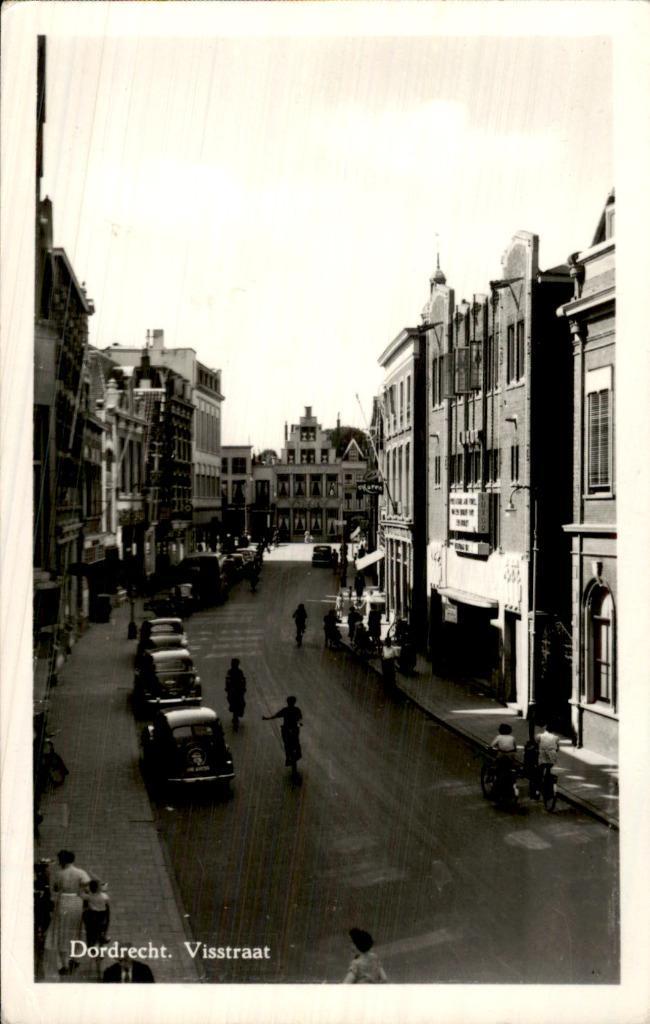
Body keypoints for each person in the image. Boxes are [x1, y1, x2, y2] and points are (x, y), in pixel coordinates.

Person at [45, 849, 91, 975]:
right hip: (76, 902)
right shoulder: (81, 872)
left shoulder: (59, 874)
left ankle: (63, 963)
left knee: (62, 932)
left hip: (63, 902)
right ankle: (73, 958)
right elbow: (87, 888)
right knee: (75, 930)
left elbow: (55, 888)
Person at [262, 696, 303, 774]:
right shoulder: (296, 710)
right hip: (292, 730)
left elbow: (276, 716)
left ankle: (288, 757)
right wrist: (299, 724)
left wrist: (267, 718)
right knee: (295, 742)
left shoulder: (285, 710)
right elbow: (300, 719)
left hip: (287, 730)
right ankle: (294, 755)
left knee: (287, 744)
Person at [83, 879, 110, 948]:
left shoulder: (89, 896)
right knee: (102, 927)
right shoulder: (104, 896)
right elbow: (107, 905)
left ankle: (92, 943)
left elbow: (83, 897)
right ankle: (103, 937)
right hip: (102, 914)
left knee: (92, 929)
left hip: (92, 914)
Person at [535, 723, 560, 792]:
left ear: (545, 729)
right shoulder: (556, 737)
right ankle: (551, 781)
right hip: (552, 755)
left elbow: (537, 743)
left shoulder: (539, 736)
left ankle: (537, 790)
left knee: (540, 770)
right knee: (551, 767)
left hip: (542, 754)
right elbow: (557, 748)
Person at [225, 658, 247, 730]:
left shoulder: (234, 671)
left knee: (241, 702)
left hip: (237, 690)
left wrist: (243, 687)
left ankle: (237, 713)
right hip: (235, 690)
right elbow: (228, 680)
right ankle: (236, 713)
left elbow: (243, 680)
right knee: (234, 700)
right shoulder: (237, 672)